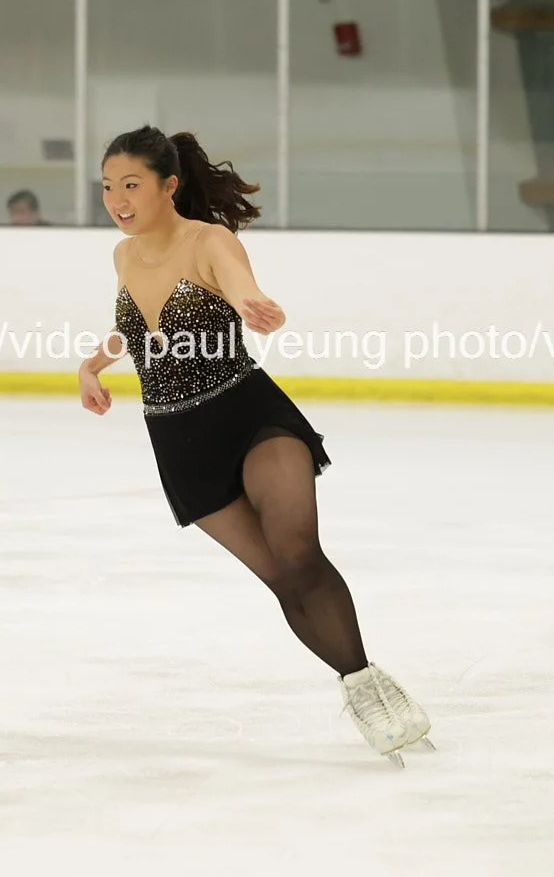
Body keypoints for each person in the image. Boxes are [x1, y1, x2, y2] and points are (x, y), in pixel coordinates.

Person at [76, 126, 431, 764]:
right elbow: (136, 326)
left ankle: (376, 697)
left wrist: (257, 306)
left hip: (249, 417)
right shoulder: (123, 257)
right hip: (180, 441)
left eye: (131, 185)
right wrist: (91, 365)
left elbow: (241, 286)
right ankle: (362, 683)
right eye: (107, 187)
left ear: (168, 186)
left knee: (298, 553)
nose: (117, 200)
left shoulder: (209, 241)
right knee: (280, 579)